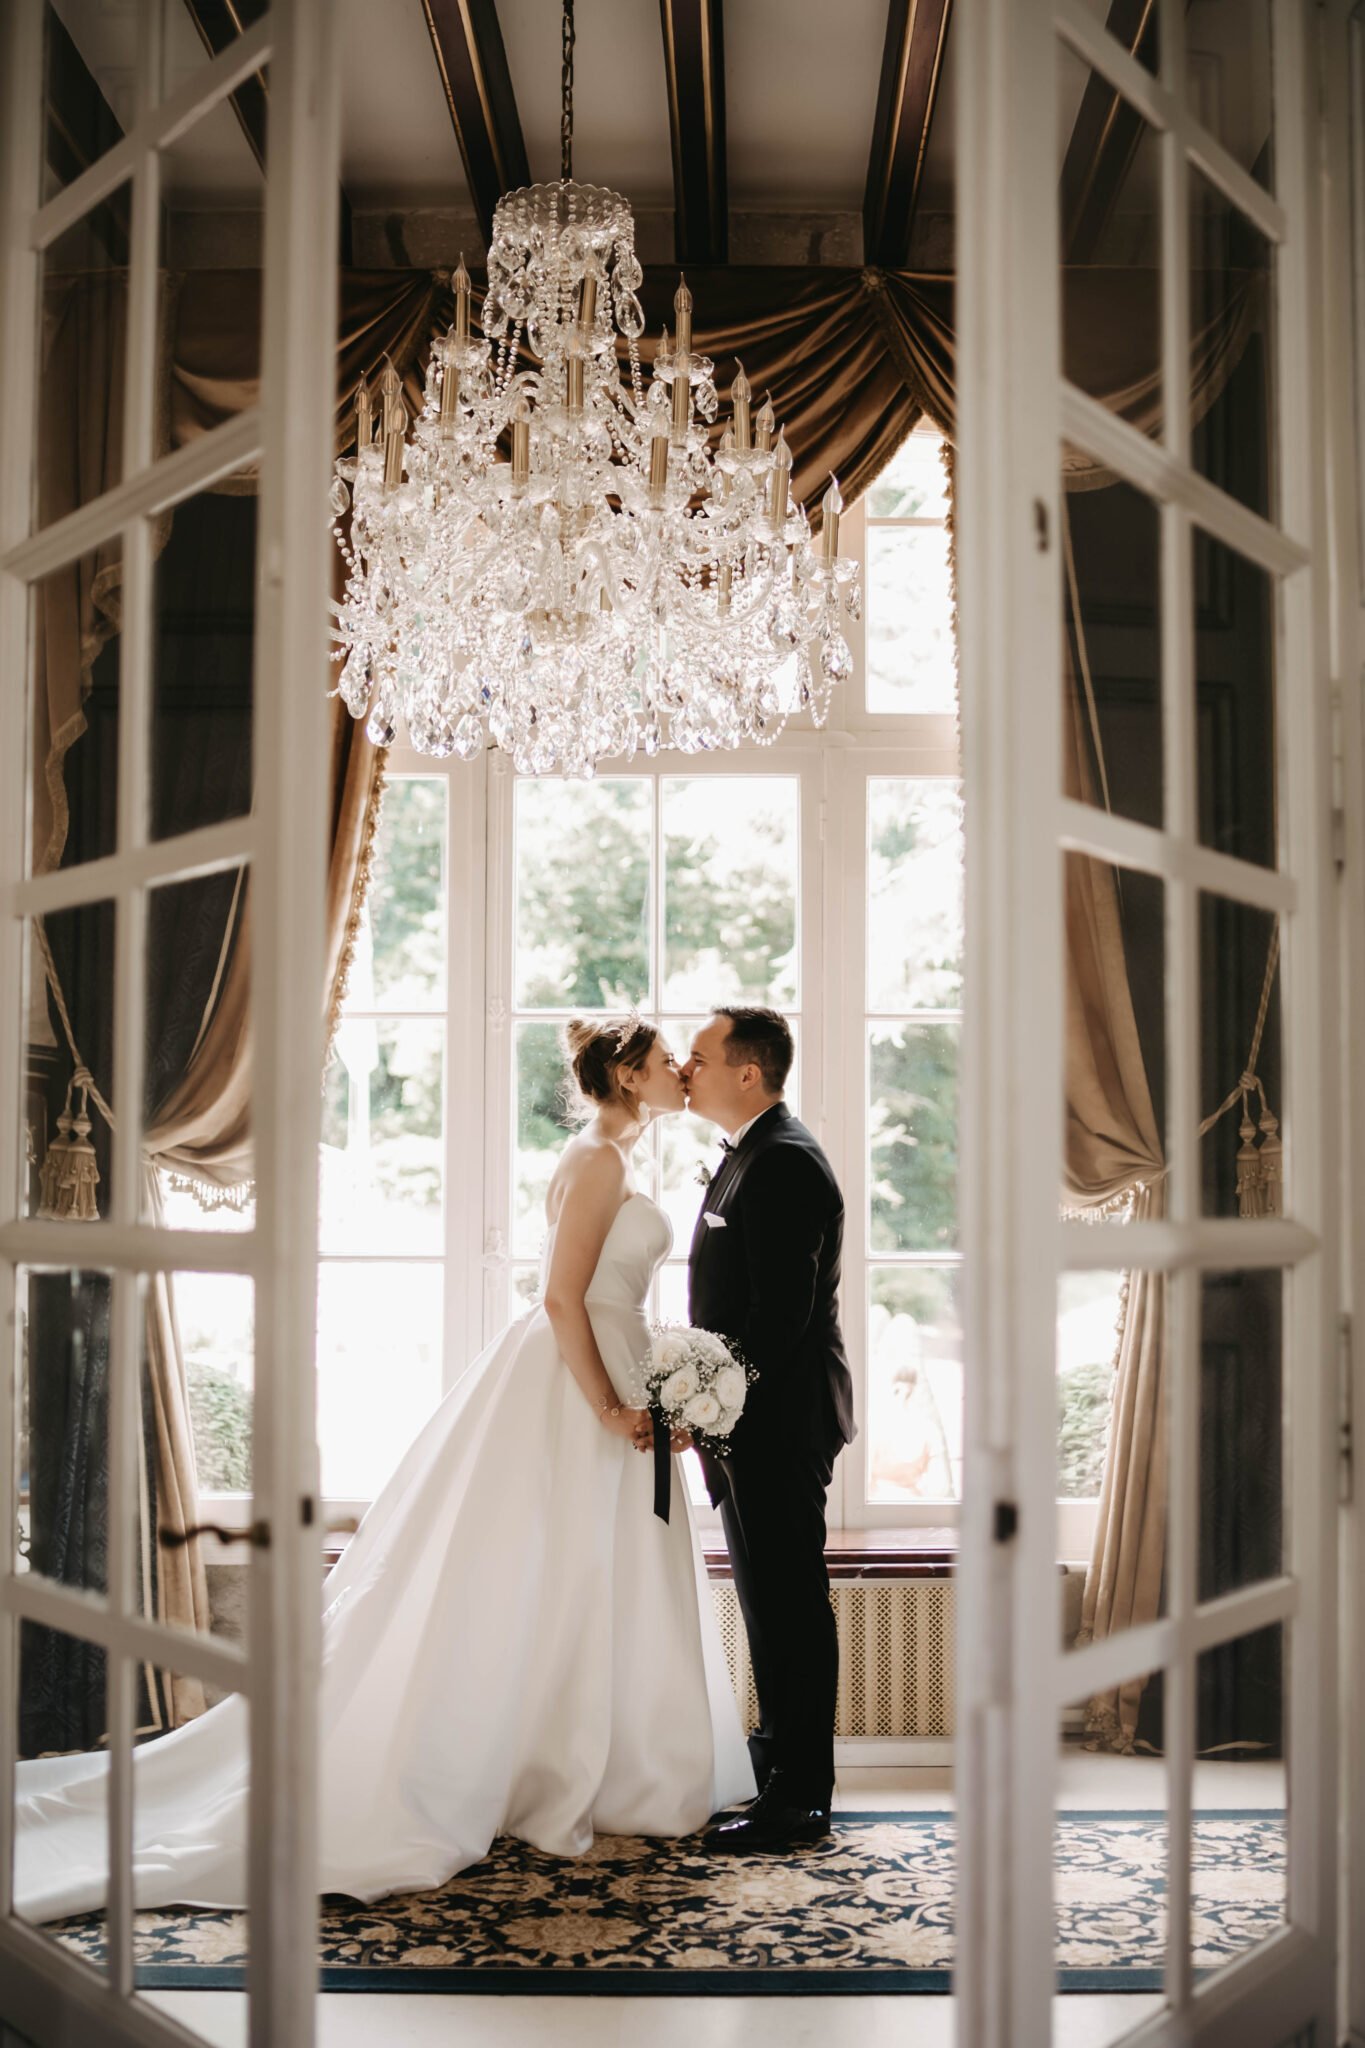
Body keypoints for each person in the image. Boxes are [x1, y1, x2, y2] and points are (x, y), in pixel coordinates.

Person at [14, 1018, 753, 1924]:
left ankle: (593, 1762)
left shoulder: (620, 1155)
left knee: (590, 1574)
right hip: (576, 1382)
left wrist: (661, 1377)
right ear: (631, 1077)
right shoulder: (597, 1159)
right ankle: (545, 1768)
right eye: (668, 1062)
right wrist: (606, 1403)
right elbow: (563, 1297)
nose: (684, 1072)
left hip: (616, 1367)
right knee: (554, 1566)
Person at [682, 1006, 855, 1853]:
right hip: (745, 1417)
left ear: (746, 1072)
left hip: (779, 1419)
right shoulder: (751, 1153)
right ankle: (776, 1771)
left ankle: (800, 1798)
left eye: (700, 1055)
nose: (687, 1068)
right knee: (765, 1599)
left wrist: (703, 1393)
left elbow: (780, 1316)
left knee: (787, 1601)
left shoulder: (783, 1162)